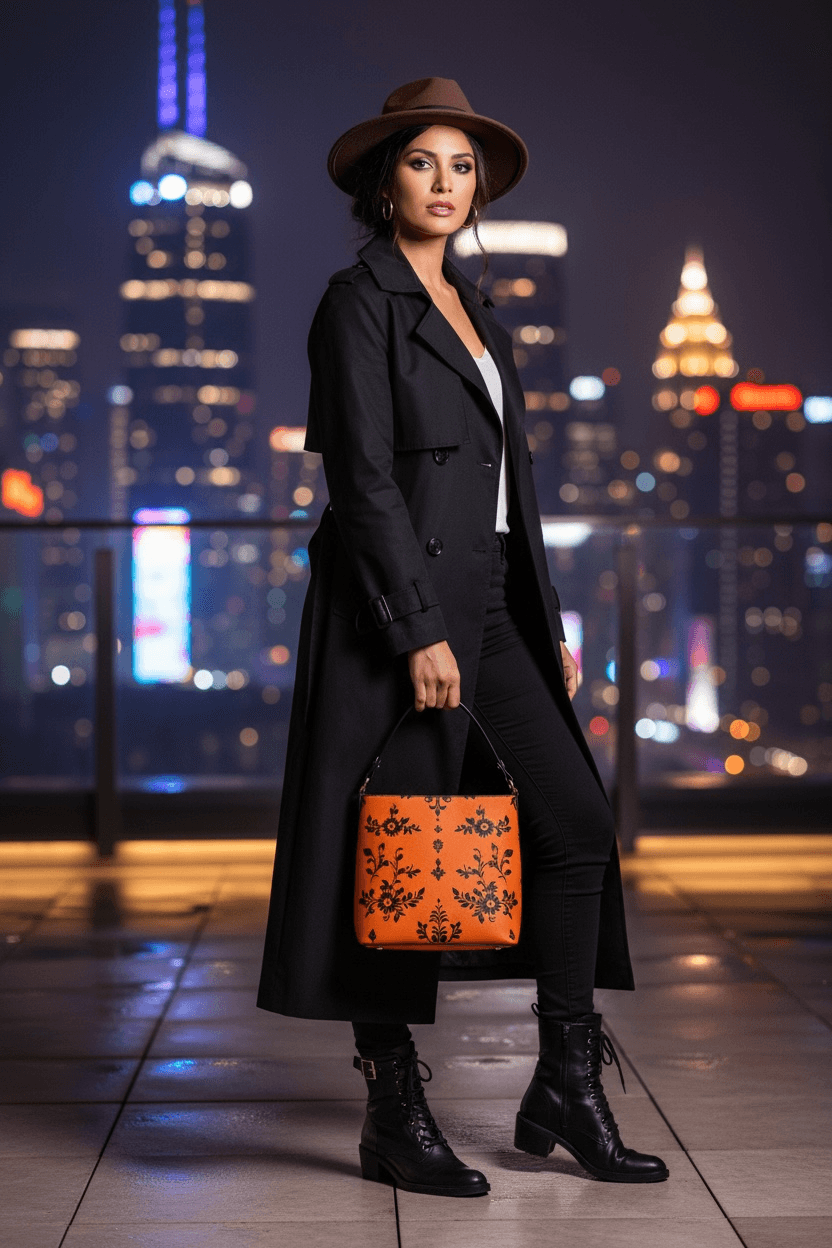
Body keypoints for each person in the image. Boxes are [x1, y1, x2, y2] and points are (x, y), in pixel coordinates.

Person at [257, 77, 668, 1197]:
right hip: (389, 612)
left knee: (577, 825)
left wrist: (546, 619)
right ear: (381, 181)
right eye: (421, 162)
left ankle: (565, 1082)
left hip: (493, 601)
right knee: (390, 850)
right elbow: (362, 481)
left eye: (462, 166)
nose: (444, 183)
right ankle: (393, 1108)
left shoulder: (480, 311)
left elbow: (509, 493)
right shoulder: (357, 302)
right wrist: (416, 628)